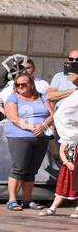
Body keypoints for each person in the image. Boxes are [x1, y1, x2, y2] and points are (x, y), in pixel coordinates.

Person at [0, 72, 53, 211]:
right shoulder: (12, 98)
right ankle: (12, 199)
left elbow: (52, 114)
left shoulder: (41, 96)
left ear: (31, 84)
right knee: (19, 168)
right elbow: (14, 118)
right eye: (18, 85)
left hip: (41, 137)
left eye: (24, 84)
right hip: (19, 136)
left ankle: (27, 199)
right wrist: (31, 127)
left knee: (32, 170)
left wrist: (43, 126)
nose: (21, 87)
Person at [41, 58, 78, 217]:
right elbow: (51, 100)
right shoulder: (72, 90)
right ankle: (54, 207)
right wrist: (66, 161)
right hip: (69, 154)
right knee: (65, 184)